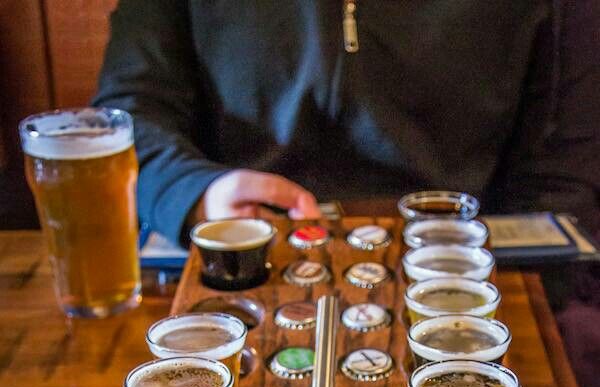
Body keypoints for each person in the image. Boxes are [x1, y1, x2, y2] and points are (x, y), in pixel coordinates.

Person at [93, 0, 600, 247]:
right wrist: (197, 194)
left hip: (463, 265)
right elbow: (127, 118)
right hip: (239, 254)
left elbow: (562, 167)